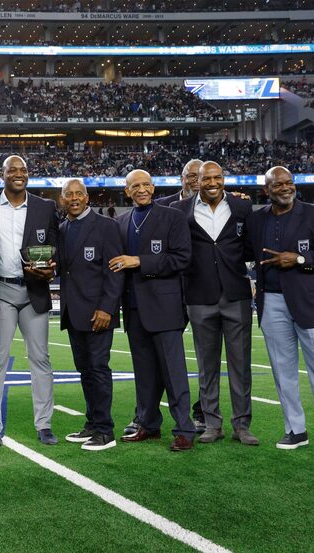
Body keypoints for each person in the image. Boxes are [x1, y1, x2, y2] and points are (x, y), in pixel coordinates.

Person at [245, 166, 314, 457]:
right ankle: (296, 430)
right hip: (272, 302)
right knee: (283, 372)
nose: (285, 188)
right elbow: (244, 252)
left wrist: (300, 258)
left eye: (288, 182)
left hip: (310, 302)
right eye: (277, 184)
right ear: (266, 190)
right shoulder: (256, 220)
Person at [0, 155, 60, 446]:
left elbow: (55, 246)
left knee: (41, 359)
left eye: (23, 170)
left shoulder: (45, 206)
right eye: (13, 170)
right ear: (3, 175)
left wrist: (51, 266)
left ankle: (44, 425)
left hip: (34, 290)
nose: (18, 174)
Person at [172, 161, 257, 446]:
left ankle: (242, 425)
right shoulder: (180, 210)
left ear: (223, 179)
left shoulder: (242, 207)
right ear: (195, 180)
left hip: (236, 293)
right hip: (199, 295)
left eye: (217, 177)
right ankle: (212, 423)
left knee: (240, 364)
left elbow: (248, 246)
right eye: (205, 177)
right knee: (206, 366)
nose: (211, 182)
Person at [111, 169, 196, 452]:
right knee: (144, 372)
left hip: (165, 307)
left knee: (174, 372)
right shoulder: (121, 222)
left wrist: (139, 262)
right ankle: (147, 423)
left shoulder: (173, 217)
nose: (142, 189)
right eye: (135, 186)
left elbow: (182, 258)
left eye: (146, 184)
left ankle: (184, 429)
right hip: (134, 308)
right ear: (127, 191)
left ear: (154, 187)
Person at [58, 179, 123, 451]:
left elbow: (115, 270)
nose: (74, 198)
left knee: (98, 369)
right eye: (68, 195)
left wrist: (107, 307)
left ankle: (105, 430)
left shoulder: (107, 226)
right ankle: (92, 423)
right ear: (62, 200)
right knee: (85, 370)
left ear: (87, 198)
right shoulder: (61, 229)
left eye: (78, 194)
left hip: (98, 312)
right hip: (74, 312)